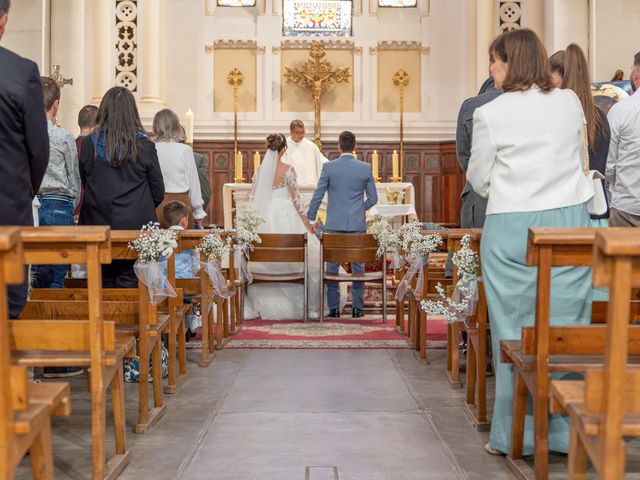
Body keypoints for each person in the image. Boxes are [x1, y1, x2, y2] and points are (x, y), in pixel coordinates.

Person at [467, 29, 593, 456]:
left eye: (494, 61)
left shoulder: (490, 112)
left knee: (513, 329)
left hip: (510, 224)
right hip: (569, 222)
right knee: (565, 325)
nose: (490, 69)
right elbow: (579, 159)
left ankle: (515, 434)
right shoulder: (569, 101)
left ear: (512, 62)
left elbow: (479, 179)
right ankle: (563, 432)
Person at [244, 134, 346, 320]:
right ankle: (310, 306)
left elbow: (253, 197)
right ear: (283, 150)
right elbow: (297, 202)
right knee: (312, 259)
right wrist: (308, 225)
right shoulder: (288, 170)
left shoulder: (260, 171)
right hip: (286, 215)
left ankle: (263, 303)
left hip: (263, 216)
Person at [79, 86, 165, 288]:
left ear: (104, 110)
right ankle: (130, 318)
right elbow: (158, 189)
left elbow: (85, 182)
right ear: (132, 112)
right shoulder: (144, 145)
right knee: (131, 280)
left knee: (102, 280)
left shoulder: (89, 144)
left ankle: (103, 317)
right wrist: (138, 205)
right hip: (135, 226)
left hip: (97, 223)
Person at [0, 0, 49, 317]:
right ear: (3, 21)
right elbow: (38, 150)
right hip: (6, 210)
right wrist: (22, 193)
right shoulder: (21, 72)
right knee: (8, 304)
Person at [308, 131, 378, 318]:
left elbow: (318, 194)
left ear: (339, 146)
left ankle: (334, 309)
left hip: (334, 225)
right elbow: (373, 198)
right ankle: (357, 308)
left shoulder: (329, 167)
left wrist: (311, 217)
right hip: (357, 226)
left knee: (332, 268)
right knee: (358, 267)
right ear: (354, 147)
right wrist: (357, 209)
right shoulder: (365, 168)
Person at [550, 45, 611, 226]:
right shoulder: (599, 116)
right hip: (595, 209)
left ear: (561, 78)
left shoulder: (558, 114)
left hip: (565, 211)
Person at [31, 76, 81, 289]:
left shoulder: (25, 135)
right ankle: (56, 321)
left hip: (30, 204)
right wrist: (73, 204)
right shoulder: (63, 136)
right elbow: (74, 177)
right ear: (56, 104)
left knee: (32, 272)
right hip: (59, 204)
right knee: (57, 276)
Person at [456, 76, 502, 228]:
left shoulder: (470, 106)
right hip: (513, 196)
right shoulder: (522, 104)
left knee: (475, 248)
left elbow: (463, 155)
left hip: (477, 197)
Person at [152, 109, 206, 228]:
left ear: (155, 127)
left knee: (157, 245)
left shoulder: (151, 148)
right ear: (176, 126)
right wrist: (198, 213)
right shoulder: (184, 150)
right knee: (184, 244)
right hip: (182, 208)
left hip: (157, 205)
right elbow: (193, 183)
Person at [605, 51, 640, 227]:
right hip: (626, 204)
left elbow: (609, 165)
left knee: (621, 255)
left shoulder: (620, 110)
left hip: (626, 207)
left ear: (635, 74)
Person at [283, 120, 327, 186]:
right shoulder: (284, 146)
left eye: (302, 132)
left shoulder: (311, 146)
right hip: (290, 187)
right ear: (291, 132)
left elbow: (321, 161)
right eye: (297, 132)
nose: (301, 135)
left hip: (309, 186)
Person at [163, 200, 198, 279]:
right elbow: (196, 264)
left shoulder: (162, 237)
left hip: (165, 281)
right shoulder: (189, 237)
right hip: (186, 280)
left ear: (166, 220)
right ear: (184, 221)